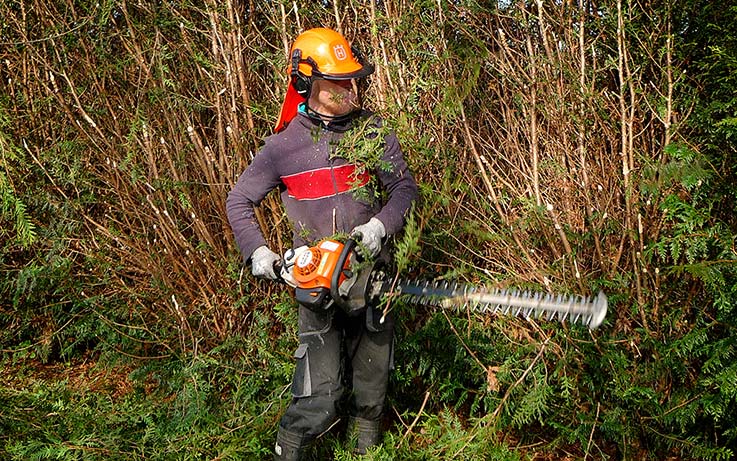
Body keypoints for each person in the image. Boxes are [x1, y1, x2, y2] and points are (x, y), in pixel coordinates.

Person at [226, 28, 418, 460]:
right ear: (307, 83)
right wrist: (261, 255)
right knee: (318, 396)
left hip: (373, 281)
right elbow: (238, 200)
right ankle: (287, 451)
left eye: (353, 80)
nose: (351, 89)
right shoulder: (283, 147)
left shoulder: (372, 131)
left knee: (372, 390)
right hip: (317, 287)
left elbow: (404, 190)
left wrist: (378, 227)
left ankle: (365, 453)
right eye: (339, 82)